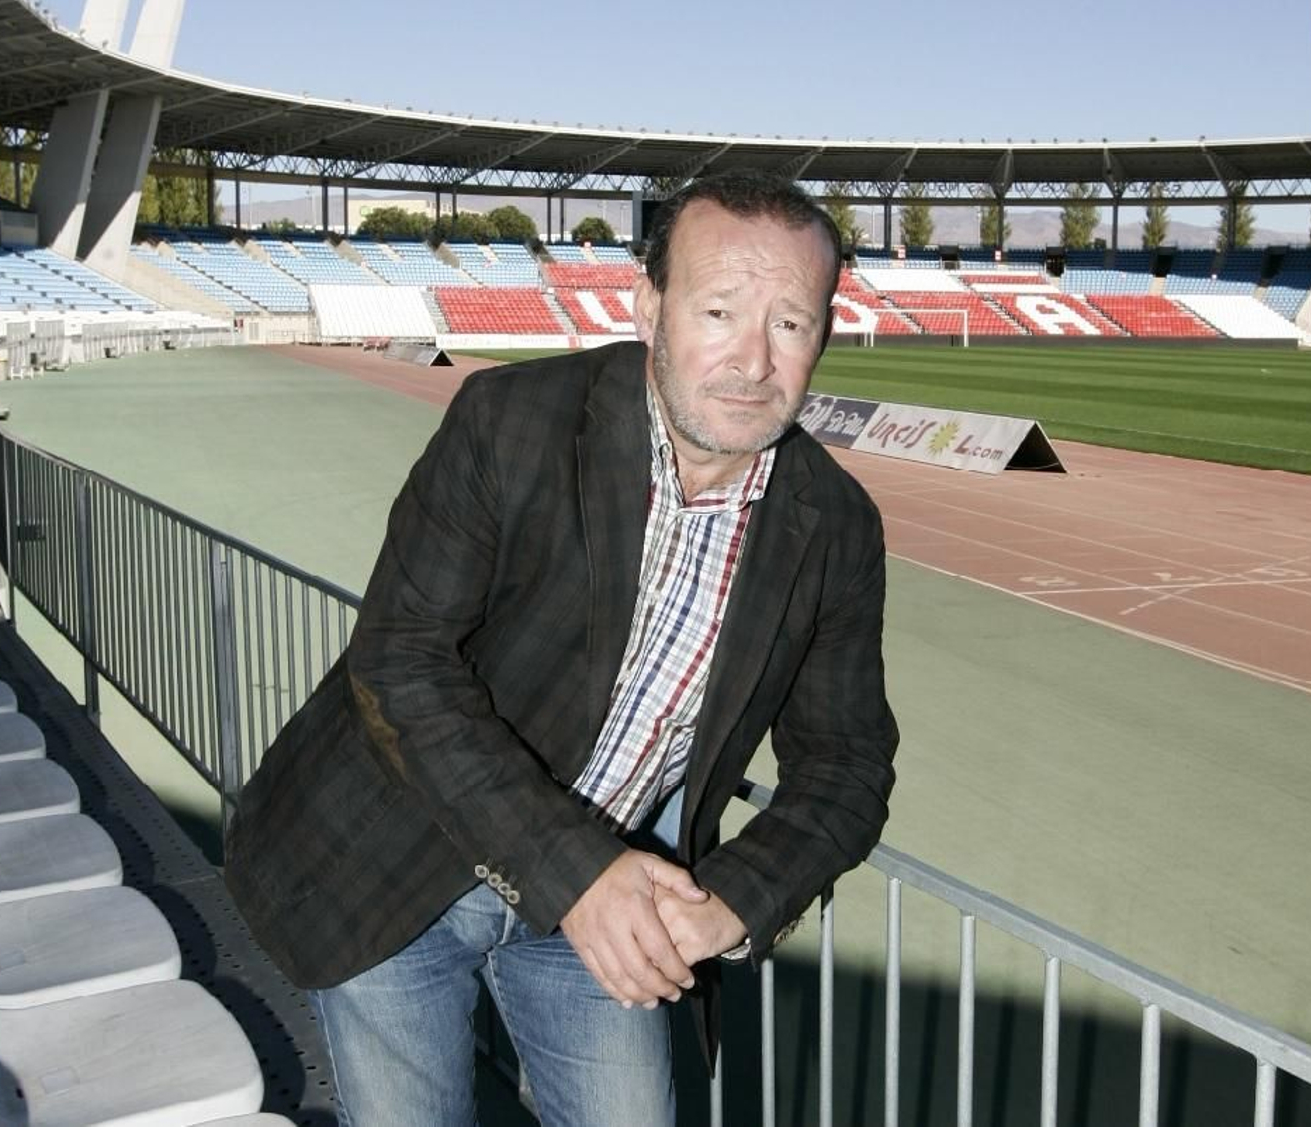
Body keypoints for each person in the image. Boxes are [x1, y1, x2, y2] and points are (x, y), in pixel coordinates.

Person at [224, 170, 898, 1126]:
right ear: (649, 306)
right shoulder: (511, 421)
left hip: (612, 906)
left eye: (791, 323)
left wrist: (733, 900)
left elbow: (847, 765)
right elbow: (402, 659)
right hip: (408, 860)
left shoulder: (833, 524)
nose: (754, 360)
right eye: (719, 311)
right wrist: (573, 870)